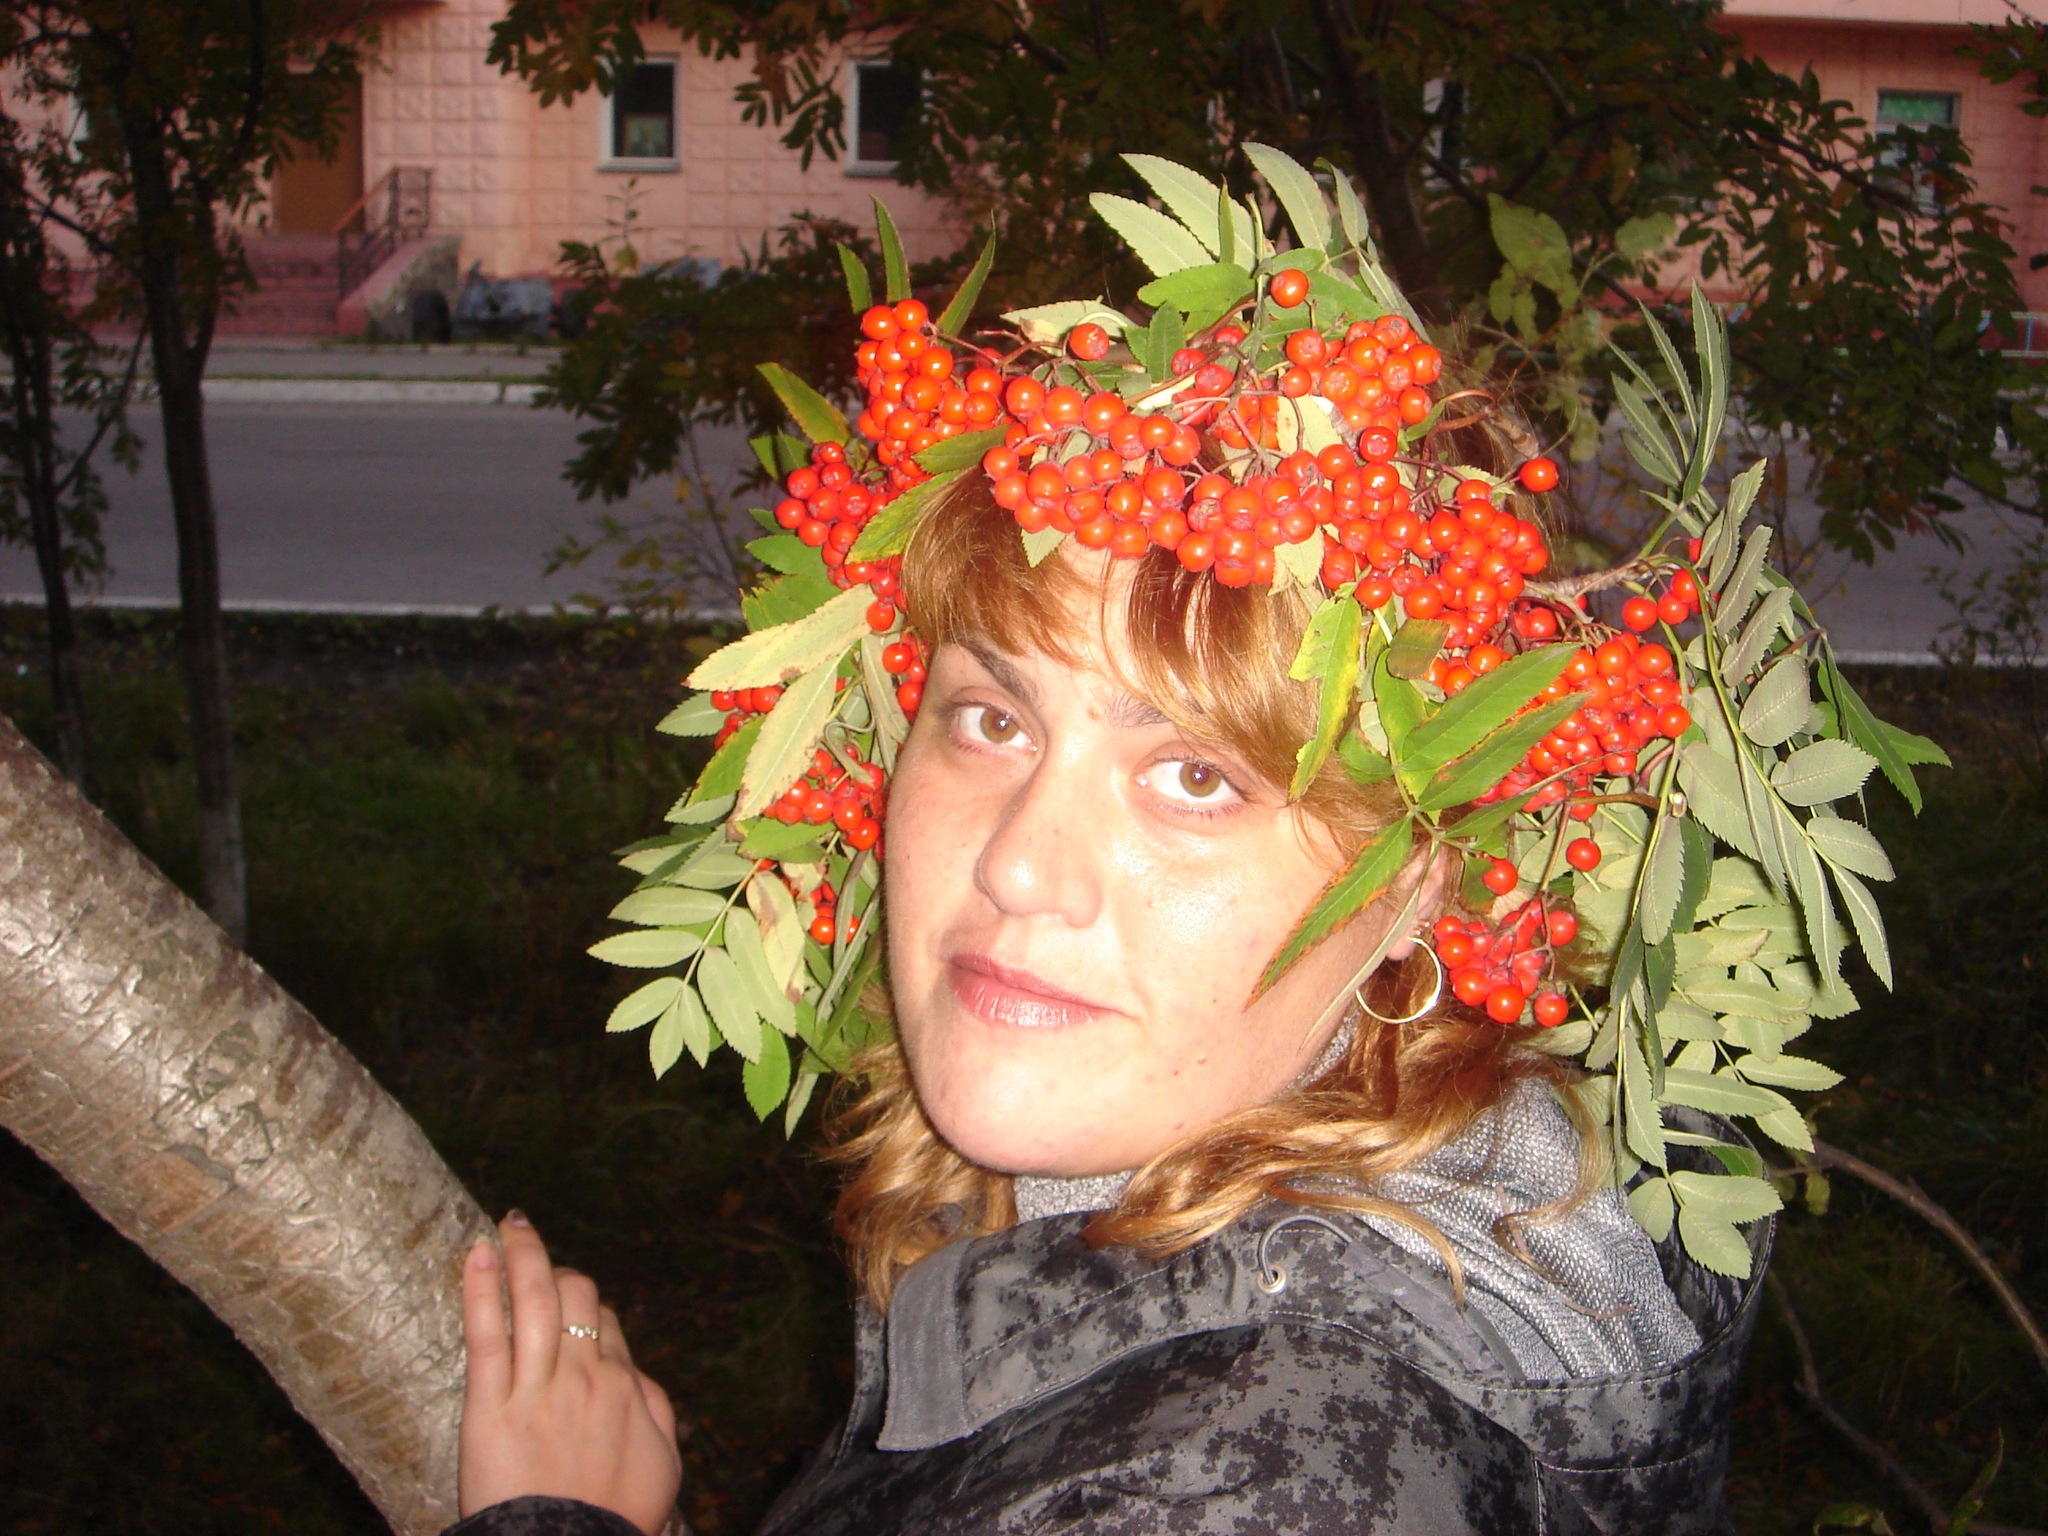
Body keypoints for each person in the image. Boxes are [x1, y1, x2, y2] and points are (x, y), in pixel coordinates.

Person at [442, 463, 1767, 1535]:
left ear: (1416, 886)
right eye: (992, 720)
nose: (1017, 864)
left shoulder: (1256, 1484)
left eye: (1196, 777)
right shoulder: (1172, 1268)